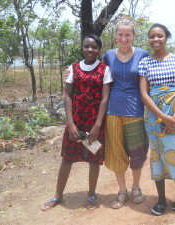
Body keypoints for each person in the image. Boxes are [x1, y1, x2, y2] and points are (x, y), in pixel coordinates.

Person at [41, 34, 112, 211]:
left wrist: (97, 125)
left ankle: (91, 194)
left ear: (99, 49)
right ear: (82, 48)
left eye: (94, 47)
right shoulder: (73, 68)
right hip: (76, 121)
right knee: (67, 158)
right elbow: (67, 96)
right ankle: (57, 195)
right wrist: (71, 124)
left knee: (94, 159)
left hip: (95, 123)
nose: (90, 50)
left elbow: (105, 99)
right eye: (87, 46)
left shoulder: (105, 69)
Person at [138, 23, 175, 216]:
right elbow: (144, 94)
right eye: (152, 36)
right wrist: (162, 117)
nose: (156, 39)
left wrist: (174, 117)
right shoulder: (144, 62)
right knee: (158, 156)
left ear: (166, 37)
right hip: (153, 116)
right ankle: (161, 199)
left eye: (159, 36)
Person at [102, 18, 150, 209]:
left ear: (133, 36)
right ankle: (122, 190)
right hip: (113, 111)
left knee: (137, 152)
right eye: (120, 34)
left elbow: (154, 73)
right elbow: (98, 76)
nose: (124, 38)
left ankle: (136, 187)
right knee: (116, 152)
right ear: (115, 37)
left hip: (136, 111)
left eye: (127, 34)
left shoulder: (143, 54)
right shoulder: (108, 56)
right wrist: (71, 72)